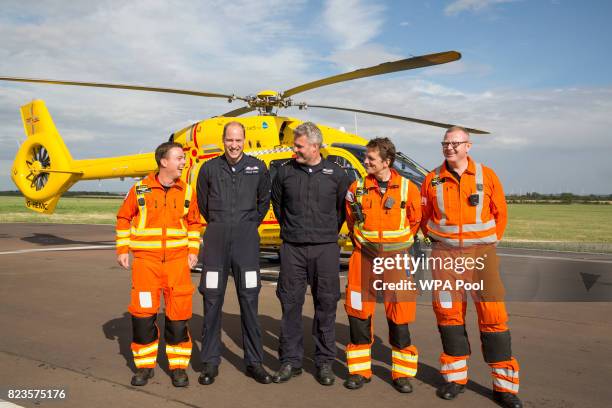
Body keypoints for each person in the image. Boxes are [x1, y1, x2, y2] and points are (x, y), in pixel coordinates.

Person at [420, 126, 521, 408]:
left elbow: (500, 214)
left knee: (493, 316)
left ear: (469, 146)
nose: (449, 148)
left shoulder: (487, 176)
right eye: (445, 143)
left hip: (481, 258)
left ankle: (504, 388)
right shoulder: (432, 179)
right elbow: (423, 217)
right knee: (449, 316)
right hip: (445, 258)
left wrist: (485, 244)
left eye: (455, 143)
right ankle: (455, 379)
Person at [116, 142, 202, 387]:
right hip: (146, 265)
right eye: (179, 158)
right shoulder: (140, 189)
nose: (183, 162)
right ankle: (144, 367)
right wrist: (122, 250)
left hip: (177, 264)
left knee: (178, 317)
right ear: (164, 161)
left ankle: (178, 368)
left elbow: (195, 223)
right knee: (143, 316)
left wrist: (193, 250)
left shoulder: (187, 191)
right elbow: (123, 217)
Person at [271, 121, 350, 386]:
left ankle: (324, 361)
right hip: (292, 248)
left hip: (325, 248)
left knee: (326, 305)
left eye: (299, 145)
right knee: (290, 304)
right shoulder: (285, 173)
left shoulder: (337, 175)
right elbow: (279, 205)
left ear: (315, 146)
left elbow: (341, 211)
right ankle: (290, 361)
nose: (294, 149)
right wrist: (294, 231)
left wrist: (324, 233)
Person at [343, 137, 422, 392]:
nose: (366, 162)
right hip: (363, 258)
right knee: (358, 314)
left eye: (371, 159)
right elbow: (351, 219)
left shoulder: (409, 189)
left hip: (397, 260)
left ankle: (401, 374)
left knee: (399, 316)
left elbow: (415, 221)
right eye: (366, 157)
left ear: (386, 162)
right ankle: (359, 371)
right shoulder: (356, 188)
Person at [196, 121, 272, 385]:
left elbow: (264, 202)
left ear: (245, 140)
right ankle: (210, 362)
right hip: (216, 242)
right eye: (229, 140)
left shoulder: (258, 168)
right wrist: (220, 223)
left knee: (250, 300)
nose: (234, 145)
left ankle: (254, 362)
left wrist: (247, 224)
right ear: (223, 140)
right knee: (212, 300)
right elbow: (202, 203)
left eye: (238, 140)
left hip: (246, 242)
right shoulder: (208, 169)